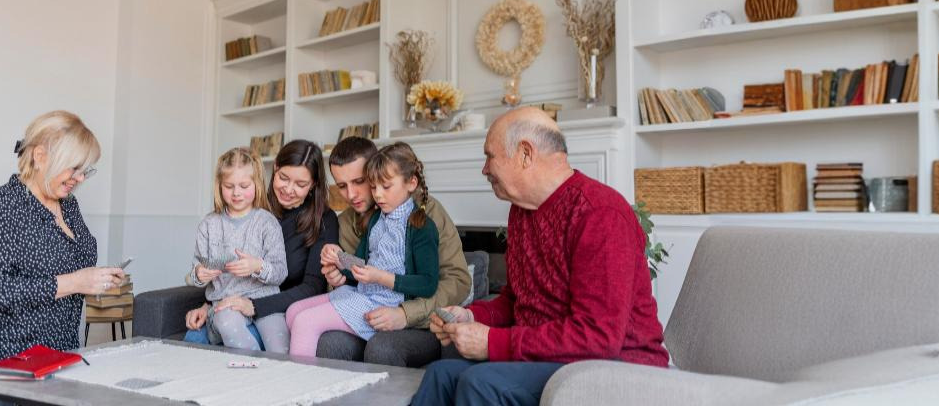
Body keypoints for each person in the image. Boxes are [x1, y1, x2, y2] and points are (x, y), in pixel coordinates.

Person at [412, 107, 670, 406]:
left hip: (619, 367)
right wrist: (470, 316)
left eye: (490, 156)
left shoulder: (600, 213)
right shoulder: (522, 212)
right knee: (441, 374)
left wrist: (492, 343)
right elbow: (517, 300)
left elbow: (598, 338)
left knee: (482, 383)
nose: (484, 169)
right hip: (551, 360)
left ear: (525, 154)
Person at [0, 111, 126, 406]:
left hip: (54, 355)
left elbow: (69, 268)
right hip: (0, 357)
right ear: (40, 156)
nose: (80, 179)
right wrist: (73, 282)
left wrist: (95, 279)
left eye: (86, 170)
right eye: (74, 168)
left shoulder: (69, 206)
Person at [317, 138, 470, 367]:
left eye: (360, 181)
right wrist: (337, 277)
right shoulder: (347, 221)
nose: (351, 195)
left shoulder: (424, 214)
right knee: (329, 341)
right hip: (366, 313)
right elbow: (356, 278)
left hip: (420, 322)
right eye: (341, 185)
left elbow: (457, 280)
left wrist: (405, 314)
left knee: (383, 347)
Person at [284, 142, 440, 357]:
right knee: (294, 311)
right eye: (374, 187)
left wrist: (381, 277)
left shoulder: (422, 225)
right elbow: (360, 266)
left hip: (386, 304)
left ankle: (297, 384)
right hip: (362, 294)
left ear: (411, 183)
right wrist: (338, 259)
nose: (378, 195)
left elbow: (428, 283)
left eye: (384, 187)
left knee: (305, 321)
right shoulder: (377, 218)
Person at [209, 140, 339, 352]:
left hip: (278, 311)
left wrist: (255, 306)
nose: (288, 190)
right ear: (275, 168)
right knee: (195, 335)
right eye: (283, 178)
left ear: (313, 184)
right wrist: (209, 305)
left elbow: (313, 287)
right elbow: (223, 264)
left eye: (300, 184)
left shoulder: (323, 219)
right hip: (235, 305)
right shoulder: (249, 206)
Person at [181, 148, 288, 351]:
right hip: (226, 304)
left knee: (279, 347)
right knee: (227, 323)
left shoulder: (267, 222)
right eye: (229, 186)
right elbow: (194, 274)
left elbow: (281, 273)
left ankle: (276, 380)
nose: (236, 193)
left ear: (256, 184)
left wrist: (257, 266)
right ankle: (249, 377)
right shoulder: (208, 225)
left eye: (244, 186)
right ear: (219, 186)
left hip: (265, 302)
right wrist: (199, 274)